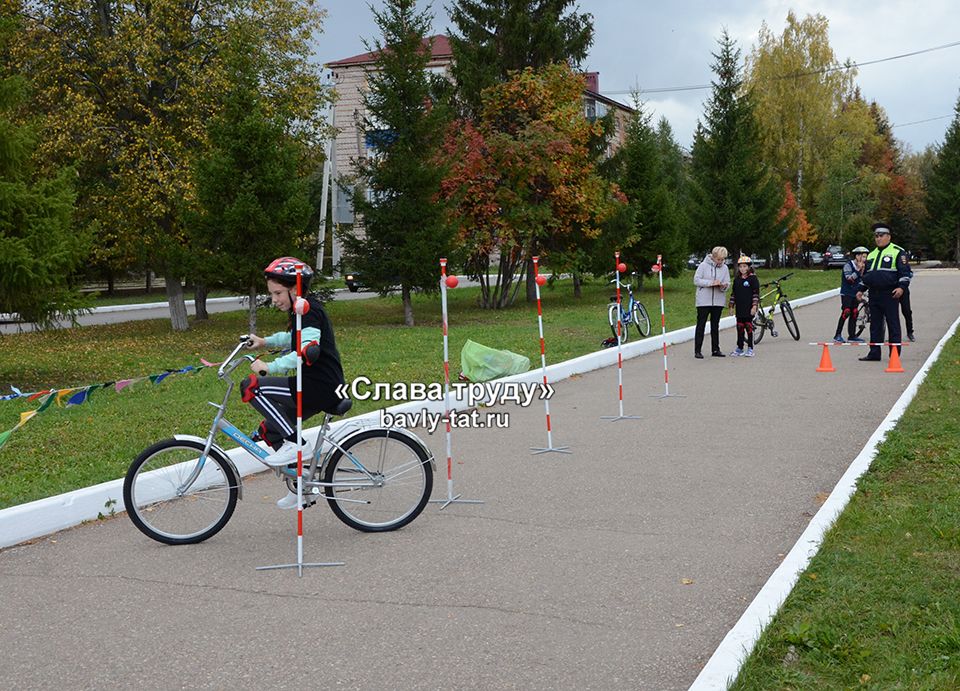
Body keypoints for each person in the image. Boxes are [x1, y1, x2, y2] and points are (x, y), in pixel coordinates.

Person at [243, 257, 347, 508]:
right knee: (271, 429)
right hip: (314, 385)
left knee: (251, 387)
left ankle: (298, 443)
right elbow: (292, 338)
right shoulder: (301, 309)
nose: (275, 299)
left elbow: (305, 347)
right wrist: (265, 342)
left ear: (294, 289)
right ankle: (301, 488)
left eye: (278, 293)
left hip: (320, 386)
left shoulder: (309, 310)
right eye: (272, 293)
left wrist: (271, 366)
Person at [856, 224, 911, 362]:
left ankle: (894, 354)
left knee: (893, 324)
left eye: (881, 235)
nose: (878, 238)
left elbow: (905, 273)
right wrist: (861, 290)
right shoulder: (872, 254)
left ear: (888, 237)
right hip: (874, 294)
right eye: (876, 236)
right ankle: (874, 353)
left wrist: (901, 288)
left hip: (890, 293)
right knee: (875, 324)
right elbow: (868, 275)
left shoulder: (898, 252)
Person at [693, 246, 730, 358]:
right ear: (713, 257)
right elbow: (696, 280)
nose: (721, 262)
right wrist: (711, 283)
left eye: (723, 259)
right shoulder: (703, 266)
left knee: (715, 325)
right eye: (719, 259)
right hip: (703, 301)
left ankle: (715, 349)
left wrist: (723, 286)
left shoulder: (725, 268)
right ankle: (698, 350)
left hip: (718, 301)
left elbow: (728, 282)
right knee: (701, 325)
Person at [834, 246, 869, 343]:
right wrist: (858, 270)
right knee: (846, 311)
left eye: (865, 257)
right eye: (863, 256)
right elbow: (849, 279)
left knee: (854, 312)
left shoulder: (863, 266)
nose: (864, 259)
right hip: (847, 293)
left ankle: (852, 335)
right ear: (857, 256)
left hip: (856, 293)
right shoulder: (848, 265)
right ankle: (837, 335)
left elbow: (863, 279)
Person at [728, 255, 760, 357]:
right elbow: (733, 294)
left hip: (749, 308)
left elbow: (755, 294)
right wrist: (731, 306)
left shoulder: (753, 279)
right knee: (739, 327)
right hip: (740, 308)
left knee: (748, 327)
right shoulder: (737, 280)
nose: (743, 269)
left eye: (745, 266)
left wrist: (754, 306)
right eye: (741, 267)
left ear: (749, 267)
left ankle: (750, 348)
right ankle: (740, 348)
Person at [900, 259, 915, 341]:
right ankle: (893, 334)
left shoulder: (903, 262)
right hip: (891, 289)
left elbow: (909, 273)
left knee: (906, 311)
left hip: (903, 289)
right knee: (890, 313)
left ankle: (910, 332)